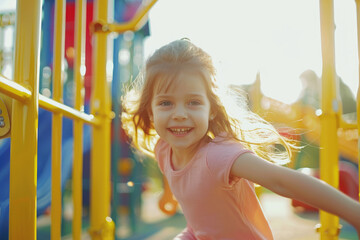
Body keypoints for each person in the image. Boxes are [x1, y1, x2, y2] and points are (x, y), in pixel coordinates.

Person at [121, 39, 360, 239]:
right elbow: (183, 187)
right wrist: (167, 195)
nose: (180, 114)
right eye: (166, 103)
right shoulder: (165, 149)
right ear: (150, 111)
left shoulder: (219, 156)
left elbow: (282, 181)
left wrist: (353, 212)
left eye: (193, 102)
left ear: (211, 109)